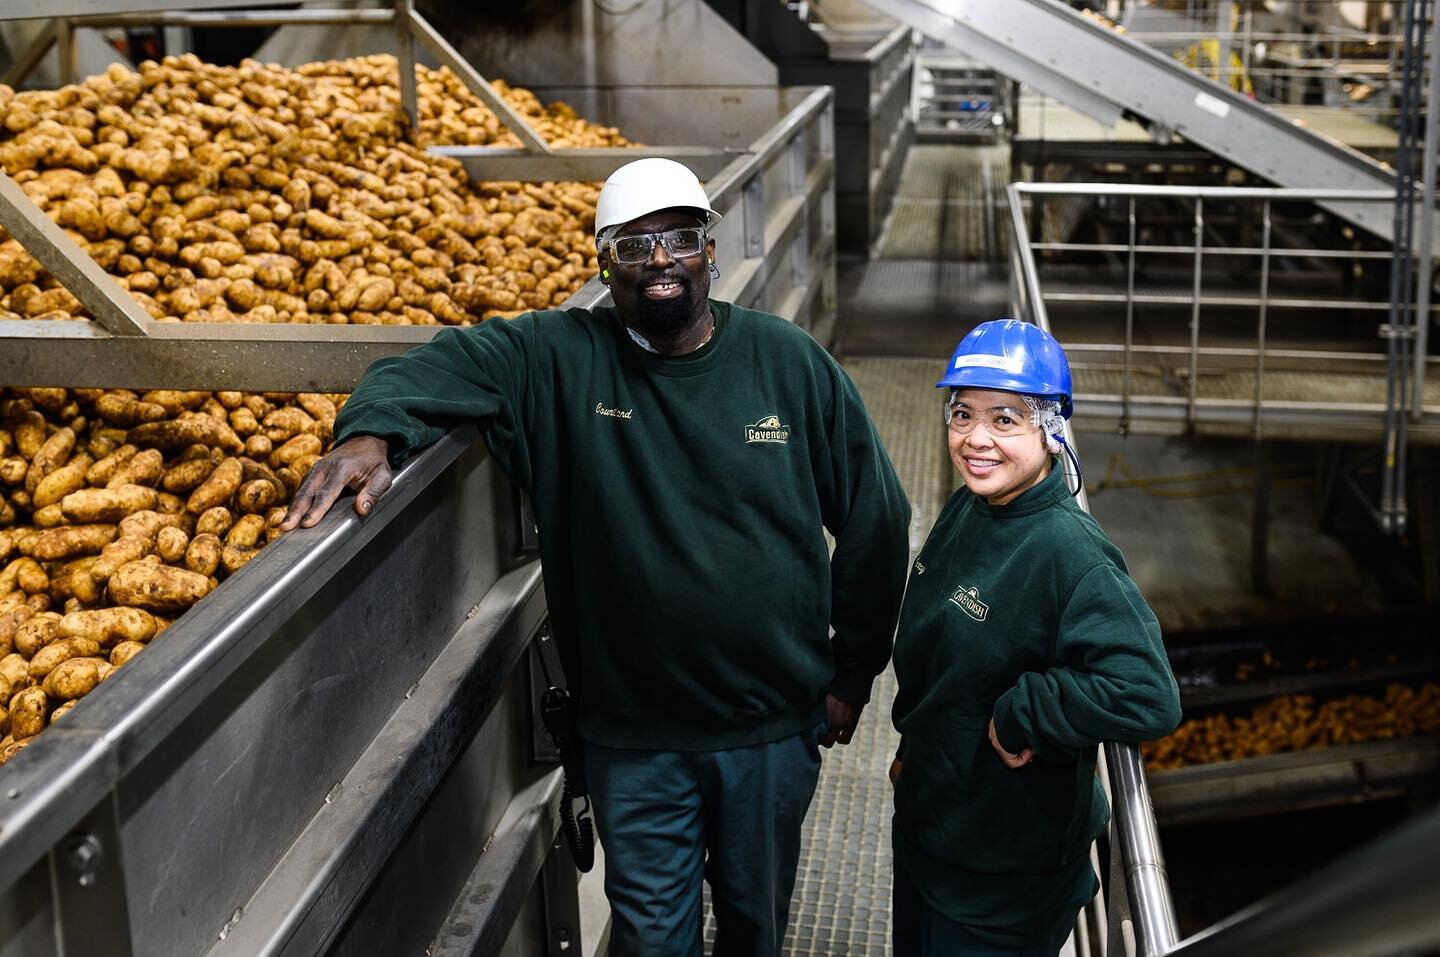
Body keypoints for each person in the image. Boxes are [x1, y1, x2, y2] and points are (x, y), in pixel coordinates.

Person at [281, 157, 912, 956]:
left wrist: (852, 673)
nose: (658, 261)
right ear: (602, 262)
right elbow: (426, 367)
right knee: (652, 938)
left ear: (709, 251)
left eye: (679, 239)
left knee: (755, 926)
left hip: (768, 724)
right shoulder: (555, 358)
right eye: (632, 244)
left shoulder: (787, 365)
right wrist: (371, 431)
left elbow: (878, 520)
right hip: (632, 732)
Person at [888, 319, 1180, 956]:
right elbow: (940, 657)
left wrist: (1029, 712)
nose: (975, 440)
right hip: (931, 828)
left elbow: (1147, 694)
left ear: (1050, 432)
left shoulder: (1069, 553)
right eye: (962, 414)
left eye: (1005, 419)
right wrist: (916, 750)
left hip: (999, 879)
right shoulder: (972, 505)